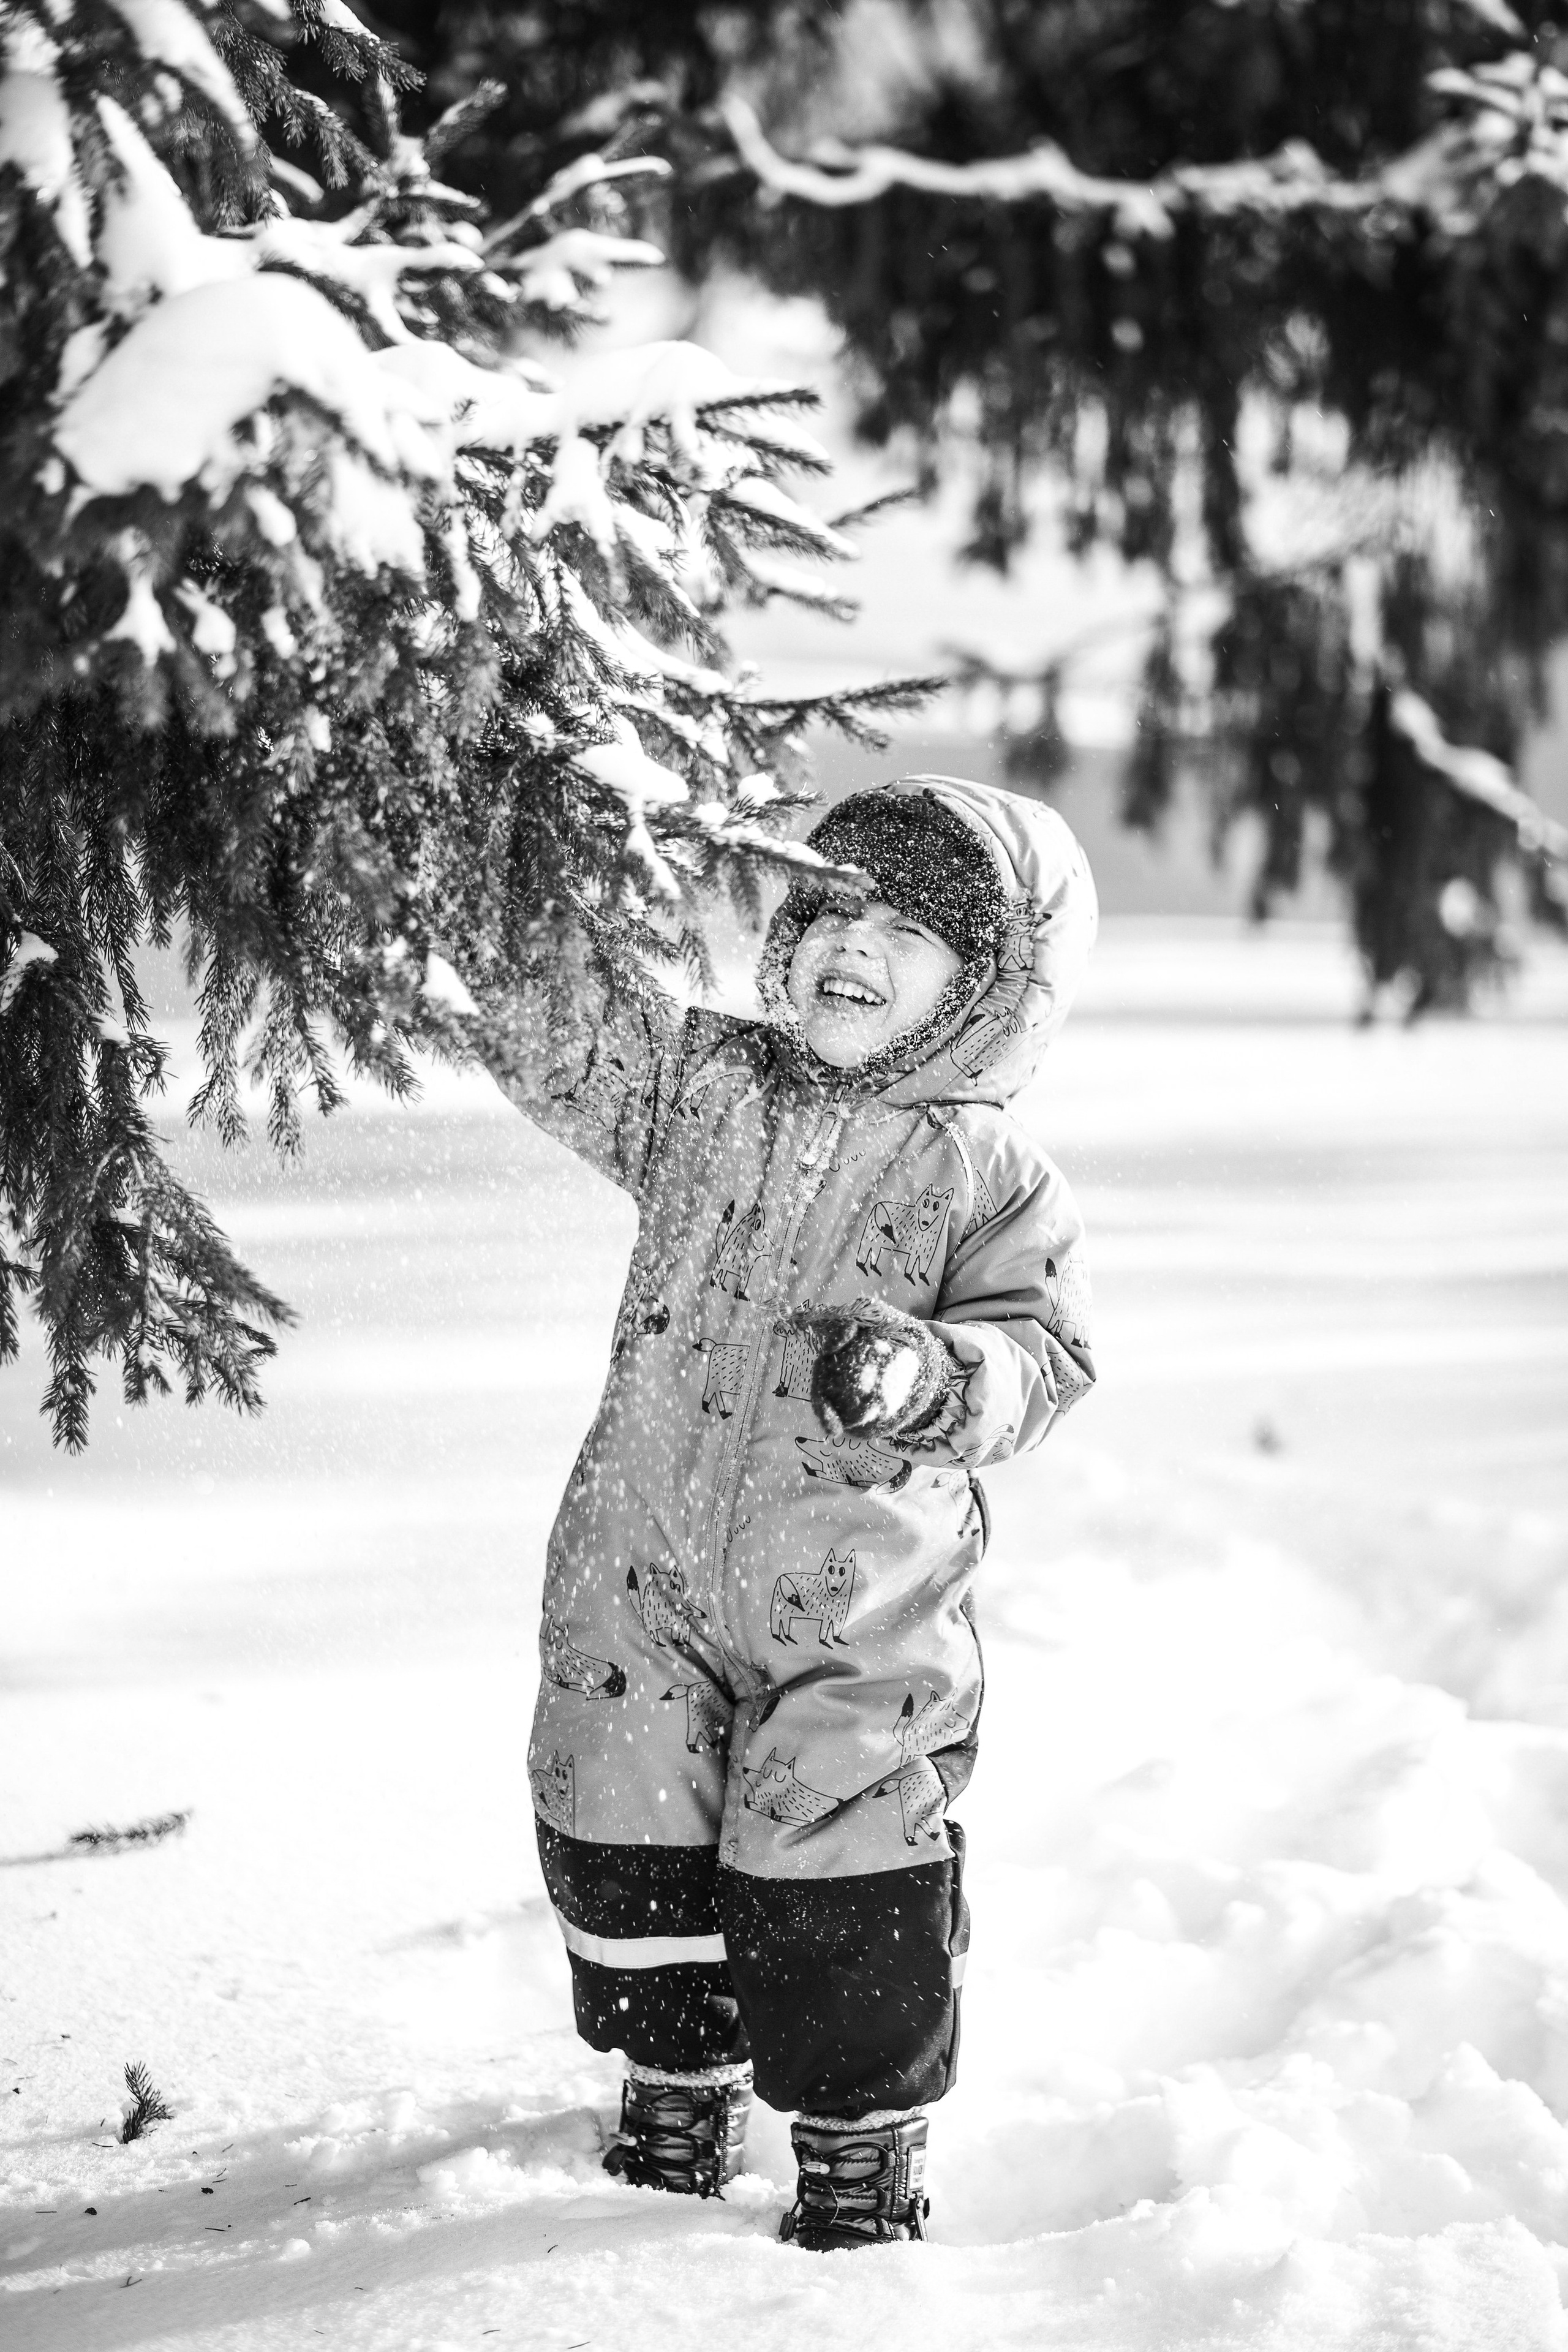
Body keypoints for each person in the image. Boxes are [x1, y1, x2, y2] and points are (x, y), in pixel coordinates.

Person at [497, 774, 1097, 2247]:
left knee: (840, 1865)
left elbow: (1047, 1358)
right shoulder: (707, 1087)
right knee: (623, 1820)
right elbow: (556, 1030)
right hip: (638, 1572)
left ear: (991, 986)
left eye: (909, 928)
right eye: (829, 905)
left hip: (855, 1607)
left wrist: (937, 1374)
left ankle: (852, 2138)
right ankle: (675, 2076)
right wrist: (495, 878)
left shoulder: (986, 1169)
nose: (853, 942)